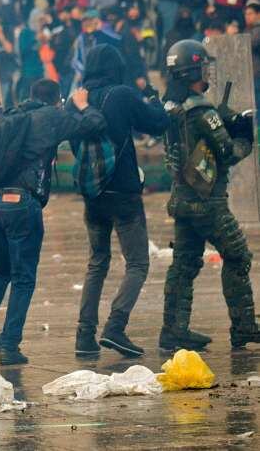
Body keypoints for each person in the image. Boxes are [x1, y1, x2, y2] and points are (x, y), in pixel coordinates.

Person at [0, 80, 106, 365]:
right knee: (23, 278)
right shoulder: (52, 116)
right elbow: (95, 124)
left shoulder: (11, 115)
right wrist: (82, 104)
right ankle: (10, 346)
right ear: (56, 100)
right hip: (19, 204)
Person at [160, 39, 260, 351]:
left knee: (184, 264)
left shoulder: (170, 107)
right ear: (193, 71)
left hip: (182, 198)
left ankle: (173, 330)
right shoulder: (202, 109)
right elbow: (227, 152)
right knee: (238, 257)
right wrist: (244, 136)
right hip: (208, 201)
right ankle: (244, 328)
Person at [72, 44, 168, 358]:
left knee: (97, 263)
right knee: (138, 262)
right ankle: (115, 327)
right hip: (124, 192)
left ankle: (84, 337)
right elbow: (156, 124)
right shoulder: (122, 95)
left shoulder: (78, 100)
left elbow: (74, 144)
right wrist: (155, 100)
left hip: (93, 194)